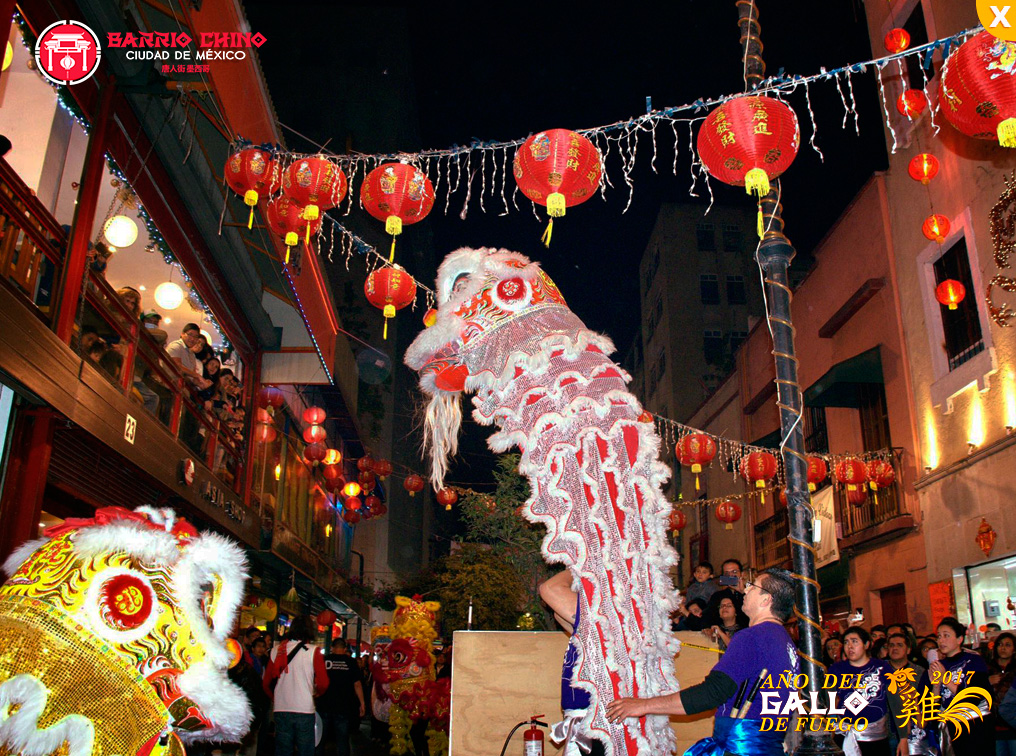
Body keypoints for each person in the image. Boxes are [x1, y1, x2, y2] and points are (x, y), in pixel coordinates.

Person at [606, 568, 801, 756]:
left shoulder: (753, 636)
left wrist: (643, 705)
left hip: (742, 749)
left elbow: (711, 692)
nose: (745, 589)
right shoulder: (787, 644)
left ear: (766, 599)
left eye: (753, 586)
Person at [538, 569, 606, 756]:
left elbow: (550, 589)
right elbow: (560, 613)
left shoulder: (597, 614)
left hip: (592, 721)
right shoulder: (587, 625)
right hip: (582, 719)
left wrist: (579, 563)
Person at [263, 615, 329, 756]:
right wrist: (316, 694)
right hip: (304, 709)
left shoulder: (276, 650)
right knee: (306, 751)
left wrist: (276, 698)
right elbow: (324, 682)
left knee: (282, 751)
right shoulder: (313, 651)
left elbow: (266, 683)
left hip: (281, 709)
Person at [930, 616, 994, 756]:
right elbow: (933, 708)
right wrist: (935, 685)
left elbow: (973, 697)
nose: (941, 640)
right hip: (951, 727)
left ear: (959, 639)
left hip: (975, 725)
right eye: (939, 636)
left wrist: (945, 679)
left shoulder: (974, 660)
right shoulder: (940, 665)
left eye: (946, 636)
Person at [827, 627, 894, 755]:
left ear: (866, 644)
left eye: (854, 641)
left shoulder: (882, 667)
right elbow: (830, 702)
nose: (850, 646)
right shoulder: (836, 669)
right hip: (845, 734)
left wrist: (902, 738)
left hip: (876, 737)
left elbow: (895, 702)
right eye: (846, 642)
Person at [885, 632, 936, 756]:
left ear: (908, 650)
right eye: (891, 645)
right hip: (886, 732)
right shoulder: (880, 671)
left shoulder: (919, 672)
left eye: (899, 645)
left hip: (914, 734)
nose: (895, 648)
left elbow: (927, 704)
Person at [317, 638, 365, 756]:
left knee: (320, 739)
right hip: (343, 706)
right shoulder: (351, 662)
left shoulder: (324, 660)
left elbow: (315, 680)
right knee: (342, 740)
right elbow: (357, 684)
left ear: (332, 648)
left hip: (324, 704)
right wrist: (362, 703)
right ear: (344, 649)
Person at [702, 559, 749, 630]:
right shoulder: (717, 596)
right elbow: (707, 618)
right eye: (727, 574)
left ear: (741, 574)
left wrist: (743, 592)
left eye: (734, 572)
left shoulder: (750, 593)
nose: (731, 576)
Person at [991, 632, 1016, 755]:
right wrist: (987, 682)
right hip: (993, 725)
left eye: (1008, 645)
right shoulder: (987, 667)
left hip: (1013, 724)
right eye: (1000, 644)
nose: (1003, 648)